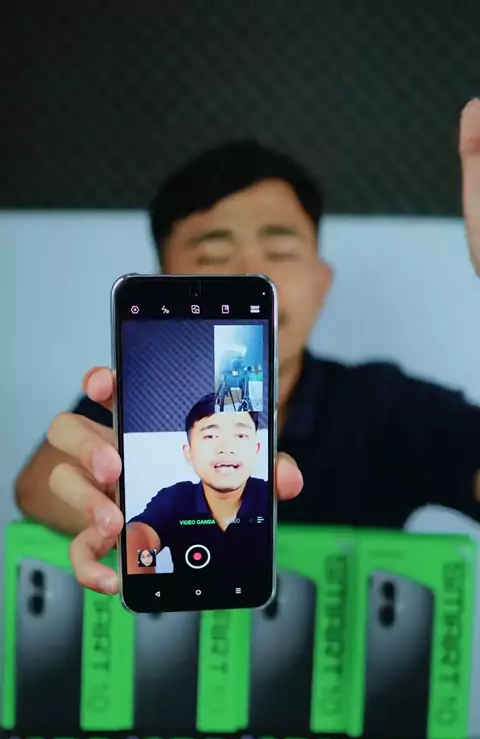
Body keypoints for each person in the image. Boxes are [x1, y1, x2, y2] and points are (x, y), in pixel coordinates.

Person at [14, 100, 480, 595]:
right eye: (213, 255)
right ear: (165, 285)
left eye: (281, 251)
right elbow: (36, 486)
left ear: (322, 282)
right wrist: (120, 509)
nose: (253, 275)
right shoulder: (143, 397)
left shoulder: (386, 404)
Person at [126, 394, 268, 575]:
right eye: (211, 436)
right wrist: (143, 572)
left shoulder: (270, 496)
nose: (226, 448)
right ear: (189, 453)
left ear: (256, 449)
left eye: (240, 435)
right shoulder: (176, 499)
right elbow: (140, 535)